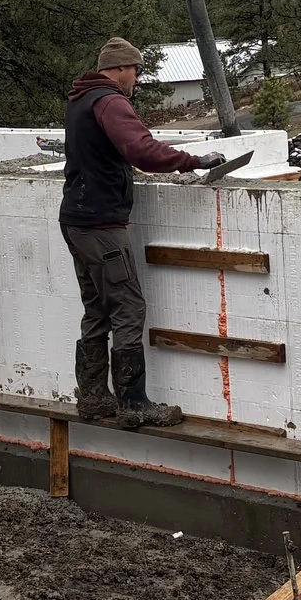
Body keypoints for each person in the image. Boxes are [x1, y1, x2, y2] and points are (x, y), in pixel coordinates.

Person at [61, 36, 221, 429]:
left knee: (96, 308)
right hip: (101, 225)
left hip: (77, 219)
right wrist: (193, 160)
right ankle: (134, 404)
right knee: (128, 307)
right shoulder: (111, 100)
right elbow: (141, 149)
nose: (137, 78)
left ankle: (95, 398)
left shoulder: (80, 99)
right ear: (121, 68)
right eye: (136, 70)